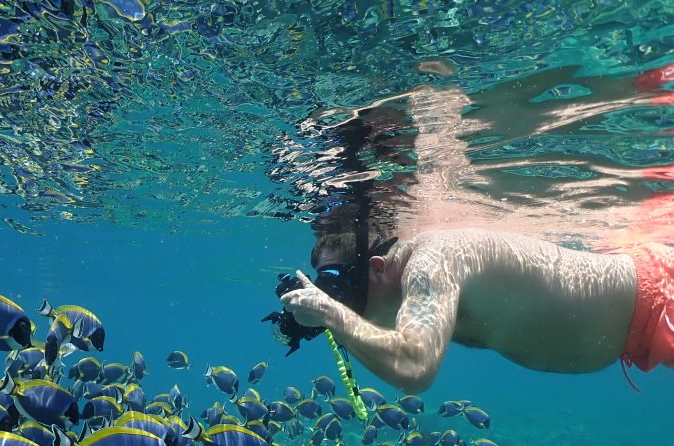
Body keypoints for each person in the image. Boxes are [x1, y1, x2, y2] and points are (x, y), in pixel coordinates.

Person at [279, 78, 674, 394]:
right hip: (637, 315)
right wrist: (320, 317)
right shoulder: (404, 284)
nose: (351, 309)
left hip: (661, 296)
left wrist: (333, 313)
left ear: (380, 267)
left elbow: (414, 368)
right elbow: (379, 335)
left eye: (352, 297)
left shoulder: (431, 264)